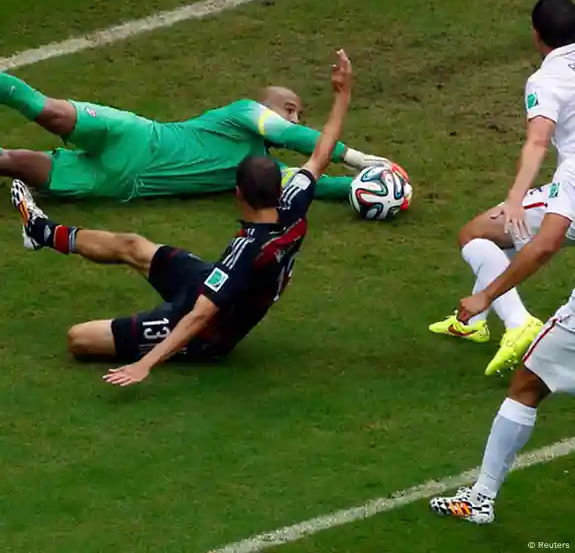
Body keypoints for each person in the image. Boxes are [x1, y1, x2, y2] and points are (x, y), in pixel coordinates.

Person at [10, 48, 353, 387]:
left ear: (238, 194)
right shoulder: (293, 203)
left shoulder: (245, 252)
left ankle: (147, 342)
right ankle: (42, 232)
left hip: (209, 331)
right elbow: (320, 156)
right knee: (132, 245)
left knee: (78, 339)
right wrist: (343, 94)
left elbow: (200, 315)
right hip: (216, 288)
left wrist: (144, 365)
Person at [429, 0, 575, 523]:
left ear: (538, 36)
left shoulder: (548, 83)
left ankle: (481, 498)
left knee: (529, 382)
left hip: (566, 201)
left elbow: (545, 245)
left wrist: (484, 297)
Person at [0, 61, 384, 202]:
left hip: (118, 183)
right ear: (280, 108)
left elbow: (307, 181)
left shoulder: (260, 171)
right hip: (134, 137)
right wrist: (351, 157)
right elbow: (295, 138)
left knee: (13, 163)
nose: (296, 121)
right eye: (293, 112)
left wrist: (364, 189)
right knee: (46, 111)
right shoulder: (245, 113)